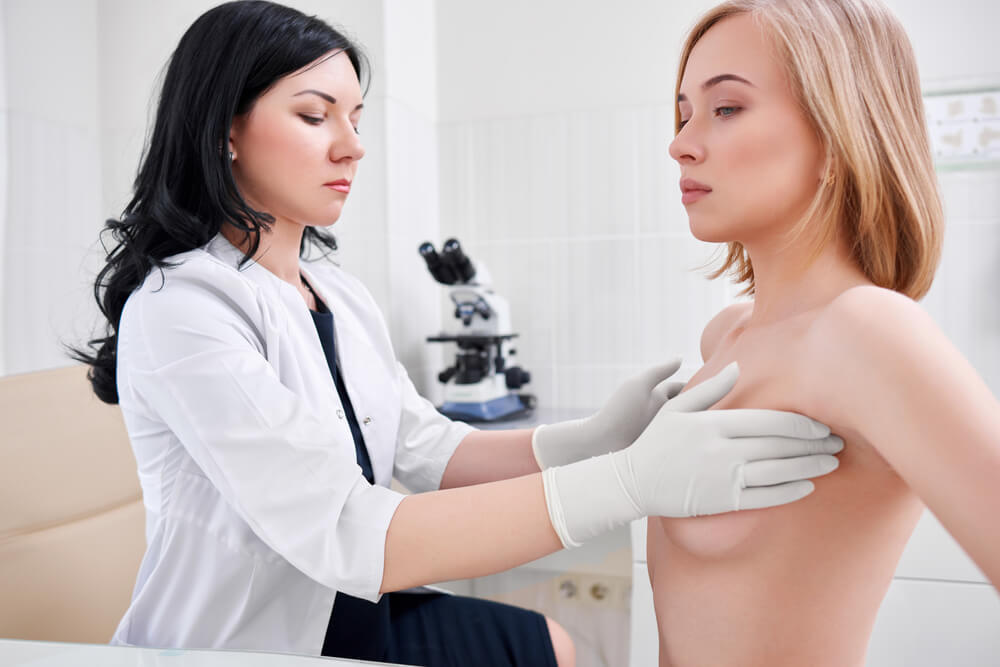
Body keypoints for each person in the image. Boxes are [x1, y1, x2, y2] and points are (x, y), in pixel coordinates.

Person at [74, 2, 845, 665]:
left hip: (337, 600)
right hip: (239, 638)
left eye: (355, 117)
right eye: (315, 115)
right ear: (225, 133)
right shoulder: (183, 307)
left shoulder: (333, 292)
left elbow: (426, 447)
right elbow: (348, 528)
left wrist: (600, 438)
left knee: (552, 644)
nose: (352, 144)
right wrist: (630, 480)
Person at [647, 0, 1000, 664]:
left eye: (726, 109)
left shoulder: (869, 332)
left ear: (838, 137)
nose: (681, 141)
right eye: (685, 111)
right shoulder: (724, 335)